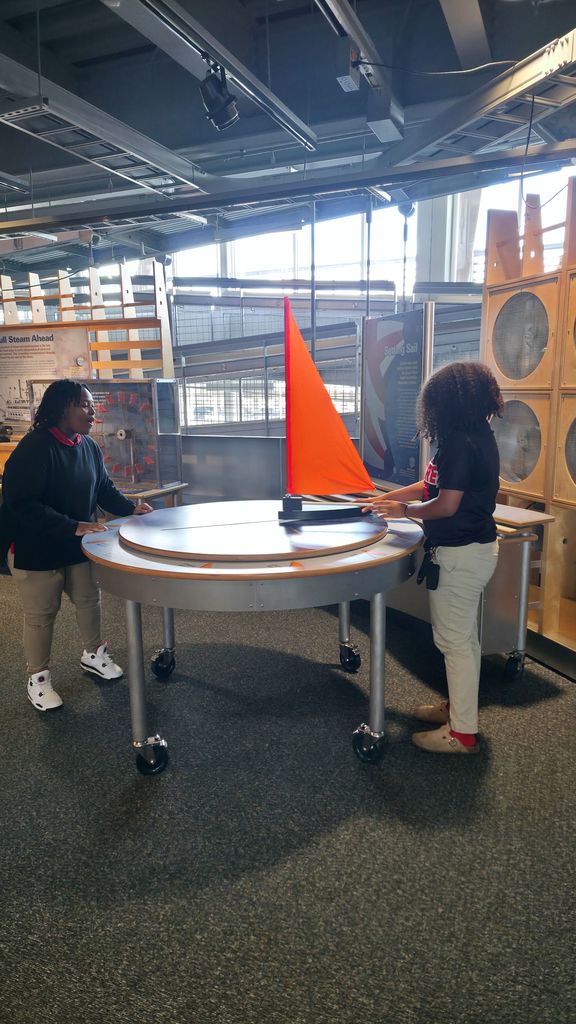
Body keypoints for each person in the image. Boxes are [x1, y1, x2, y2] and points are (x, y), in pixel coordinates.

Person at [364, 361, 503, 755]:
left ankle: (462, 734)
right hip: (469, 550)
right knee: (464, 641)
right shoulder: (473, 434)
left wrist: (403, 513)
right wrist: (387, 498)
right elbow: (430, 484)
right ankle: (459, 710)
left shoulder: (461, 442)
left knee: (454, 641)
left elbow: (445, 505)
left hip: (462, 554)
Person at [0, 379, 153, 712]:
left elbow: (103, 488)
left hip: (77, 542)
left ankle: (93, 654)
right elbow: (20, 503)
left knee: (88, 600)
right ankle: (38, 679)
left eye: (91, 403)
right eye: (83, 404)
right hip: (35, 547)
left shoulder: (87, 445)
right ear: (61, 409)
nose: (92, 409)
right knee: (41, 615)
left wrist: (131, 507)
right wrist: (71, 526)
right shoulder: (33, 448)